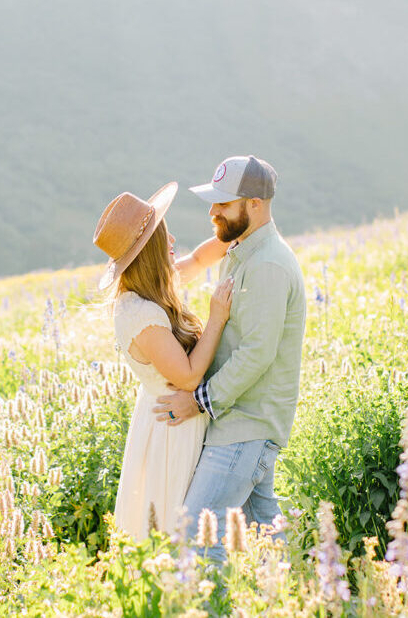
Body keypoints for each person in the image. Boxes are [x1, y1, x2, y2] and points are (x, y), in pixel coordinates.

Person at [154, 155, 307, 564]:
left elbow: (256, 354)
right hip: (240, 418)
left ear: (254, 204)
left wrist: (197, 399)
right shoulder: (242, 251)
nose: (212, 211)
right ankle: (310, 598)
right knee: (267, 532)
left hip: (246, 423)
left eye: (223, 203)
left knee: (197, 534)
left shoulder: (268, 265)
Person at [92, 181, 233, 540]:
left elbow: (201, 258)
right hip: (171, 429)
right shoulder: (139, 313)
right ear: (149, 251)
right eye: (163, 238)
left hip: (179, 417)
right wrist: (216, 317)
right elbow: (187, 377)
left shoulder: (154, 285)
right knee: (173, 525)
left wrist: (238, 233)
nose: (172, 243)